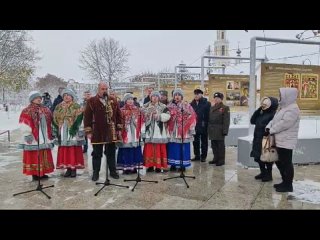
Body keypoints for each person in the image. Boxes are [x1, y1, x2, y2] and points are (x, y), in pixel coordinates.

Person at [84, 82, 123, 181]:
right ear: (98, 89)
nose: (104, 91)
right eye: (102, 89)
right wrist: (88, 131)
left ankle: (113, 171)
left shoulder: (113, 100)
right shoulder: (91, 101)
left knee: (111, 153)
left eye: (106, 89)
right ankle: (95, 173)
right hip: (97, 131)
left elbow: (119, 115)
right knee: (97, 153)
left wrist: (119, 128)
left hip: (111, 130)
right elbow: (87, 117)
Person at [266, 88, 300, 192]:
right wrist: (268, 127)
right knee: (280, 161)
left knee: (286, 163)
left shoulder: (293, 108)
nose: (280, 96)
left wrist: (271, 130)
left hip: (286, 140)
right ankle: (284, 181)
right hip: (280, 140)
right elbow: (274, 120)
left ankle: (288, 185)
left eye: (281, 95)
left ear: (288, 96)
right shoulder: (283, 107)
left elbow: (284, 123)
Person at [18, 91, 54, 181]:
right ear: (32, 99)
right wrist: (27, 134)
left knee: (43, 154)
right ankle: (35, 174)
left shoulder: (45, 109)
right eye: (36, 98)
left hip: (44, 136)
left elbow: (50, 122)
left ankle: (42, 173)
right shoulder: (27, 110)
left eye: (39, 98)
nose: (39, 99)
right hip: (33, 137)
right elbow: (24, 123)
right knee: (34, 154)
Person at [53, 88, 85, 177]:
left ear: (72, 96)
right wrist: (56, 128)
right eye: (64, 95)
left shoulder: (76, 106)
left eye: (68, 95)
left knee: (73, 149)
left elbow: (80, 119)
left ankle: (73, 168)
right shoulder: (59, 107)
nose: (66, 97)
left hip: (73, 131)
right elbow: (55, 118)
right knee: (65, 150)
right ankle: (67, 168)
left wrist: (80, 130)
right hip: (63, 130)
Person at [167, 89, 197, 171]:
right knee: (173, 148)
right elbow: (166, 118)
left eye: (179, 95)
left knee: (183, 148)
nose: (177, 96)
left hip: (184, 131)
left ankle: (182, 164)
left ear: (182, 96)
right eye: (175, 95)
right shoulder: (169, 106)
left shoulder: (187, 105)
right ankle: (173, 164)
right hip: (173, 131)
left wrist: (189, 126)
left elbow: (193, 116)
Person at [250, 96, 279, 182]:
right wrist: (258, 110)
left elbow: (272, 127)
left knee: (267, 158)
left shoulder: (273, 115)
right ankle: (263, 172)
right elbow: (252, 121)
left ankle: (269, 175)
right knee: (258, 157)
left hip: (267, 139)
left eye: (265, 104)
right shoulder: (262, 113)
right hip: (257, 138)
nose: (263, 105)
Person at [141, 91, 171, 172]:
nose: (154, 98)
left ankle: (158, 166)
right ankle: (149, 165)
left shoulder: (163, 106)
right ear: (151, 97)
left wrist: (159, 116)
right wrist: (148, 114)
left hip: (159, 131)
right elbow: (141, 117)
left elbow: (168, 116)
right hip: (149, 130)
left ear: (158, 98)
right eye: (153, 96)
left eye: (156, 96)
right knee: (149, 148)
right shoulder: (145, 106)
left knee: (159, 147)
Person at [117, 93, 143, 174]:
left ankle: (134, 167)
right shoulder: (121, 110)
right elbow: (119, 122)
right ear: (125, 101)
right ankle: (126, 167)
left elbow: (141, 121)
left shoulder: (137, 110)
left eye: (132, 99)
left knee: (135, 149)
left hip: (135, 133)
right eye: (128, 99)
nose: (130, 101)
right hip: (126, 133)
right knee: (126, 150)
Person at [208, 92, 230, 166]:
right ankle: (215, 158)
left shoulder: (225, 108)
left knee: (220, 146)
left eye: (218, 98)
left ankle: (221, 160)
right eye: (215, 98)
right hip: (212, 129)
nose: (216, 99)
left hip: (219, 130)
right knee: (214, 145)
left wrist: (225, 131)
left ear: (221, 99)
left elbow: (226, 120)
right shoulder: (212, 107)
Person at [190, 88, 211, 162]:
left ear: (201, 95)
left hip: (203, 125)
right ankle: (197, 155)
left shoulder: (207, 103)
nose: (196, 95)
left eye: (197, 94)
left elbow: (209, 115)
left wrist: (207, 124)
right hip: (195, 125)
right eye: (195, 94)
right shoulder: (191, 104)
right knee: (195, 141)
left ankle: (203, 156)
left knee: (204, 142)